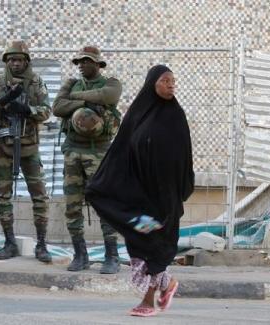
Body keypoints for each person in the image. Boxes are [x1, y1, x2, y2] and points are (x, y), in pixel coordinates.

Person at [86, 65, 195, 316]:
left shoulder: (175, 116)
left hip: (164, 197)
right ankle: (166, 284)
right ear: (152, 84)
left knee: (153, 245)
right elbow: (121, 150)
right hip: (138, 198)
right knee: (141, 239)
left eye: (173, 81)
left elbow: (184, 159)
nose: (171, 85)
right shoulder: (137, 115)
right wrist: (104, 185)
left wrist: (177, 192)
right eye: (165, 80)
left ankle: (149, 301)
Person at [52, 46, 122, 274]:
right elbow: (58, 107)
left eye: (86, 61)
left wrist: (76, 98)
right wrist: (84, 103)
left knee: (104, 204)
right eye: (79, 61)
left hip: (99, 152)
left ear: (98, 64)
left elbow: (109, 97)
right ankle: (80, 255)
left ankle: (112, 256)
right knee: (72, 205)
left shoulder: (110, 83)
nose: (81, 65)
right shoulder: (71, 84)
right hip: (73, 150)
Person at [0, 40, 51, 263]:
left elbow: (46, 110)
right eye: (11, 59)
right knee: (3, 196)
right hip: (3, 146)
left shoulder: (35, 81)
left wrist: (28, 109)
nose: (15, 63)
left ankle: (41, 244)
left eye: (19, 59)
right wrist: (5, 101)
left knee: (39, 196)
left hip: (29, 146)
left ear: (26, 61)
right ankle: (9, 242)